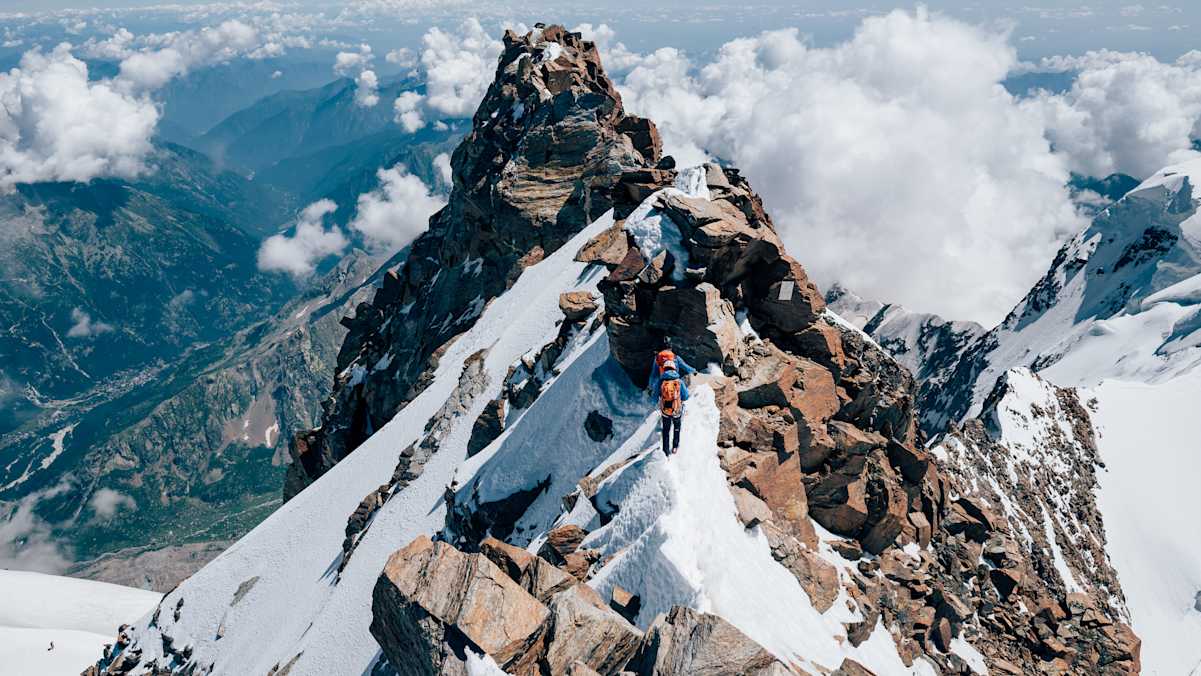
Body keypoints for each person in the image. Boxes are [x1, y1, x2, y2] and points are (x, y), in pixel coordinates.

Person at [649, 339, 695, 455]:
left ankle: (665, 451)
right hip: (677, 408)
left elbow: (654, 397)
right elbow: (686, 396)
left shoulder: (660, 379)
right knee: (677, 427)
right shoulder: (678, 377)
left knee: (666, 429)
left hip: (665, 409)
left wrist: (653, 390)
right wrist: (693, 371)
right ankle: (675, 447)